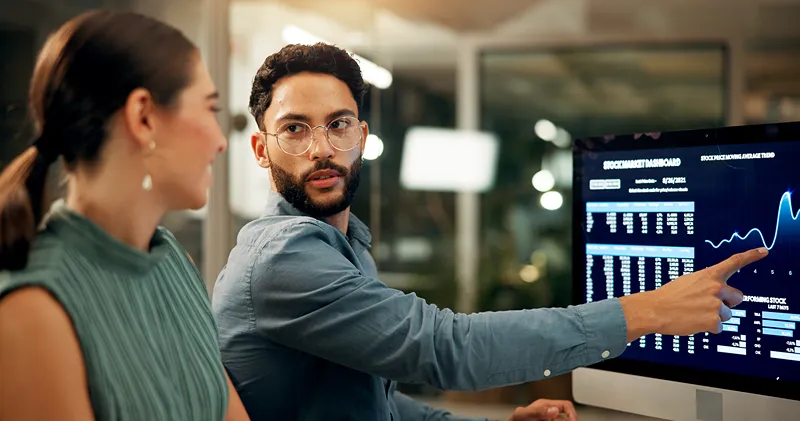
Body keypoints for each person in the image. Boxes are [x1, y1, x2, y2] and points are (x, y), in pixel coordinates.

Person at [211, 43, 767, 421]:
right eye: (294, 129)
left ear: (362, 135)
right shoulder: (282, 258)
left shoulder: (344, 242)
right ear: (260, 148)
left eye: (338, 124)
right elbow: (443, 347)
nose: (321, 148)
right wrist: (648, 311)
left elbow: (375, 403)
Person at [0, 11, 250, 421]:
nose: (221, 140)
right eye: (210, 108)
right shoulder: (32, 314)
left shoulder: (172, 262)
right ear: (144, 117)